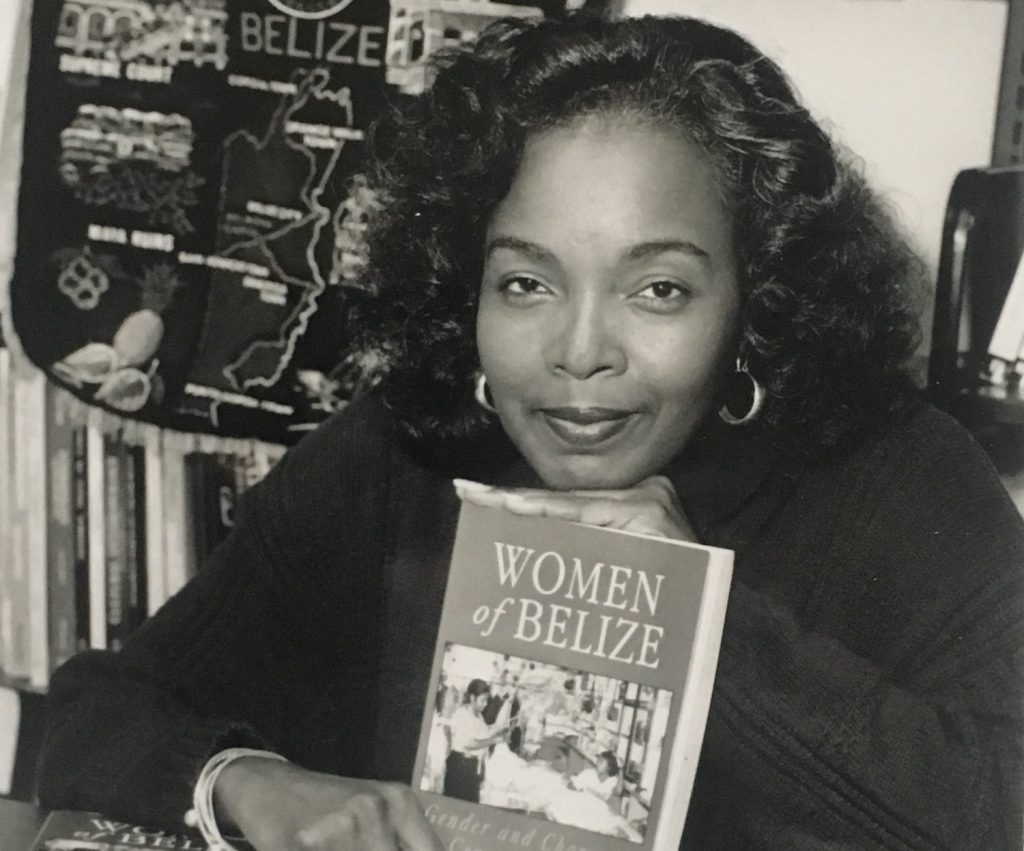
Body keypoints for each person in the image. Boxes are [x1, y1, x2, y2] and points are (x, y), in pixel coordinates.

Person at [36, 12, 1024, 851]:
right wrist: (250, 783)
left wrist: (705, 628)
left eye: (659, 288)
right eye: (525, 283)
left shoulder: (899, 476)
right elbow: (94, 713)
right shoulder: (395, 454)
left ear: (753, 297)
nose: (579, 351)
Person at [443, 680, 508, 803]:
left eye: (487, 700)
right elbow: (469, 744)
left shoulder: (478, 716)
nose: (485, 704)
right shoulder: (462, 715)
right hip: (460, 767)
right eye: (483, 700)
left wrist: (496, 730)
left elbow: (483, 734)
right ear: (473, 697)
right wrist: (494, 740)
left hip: (472, 767)